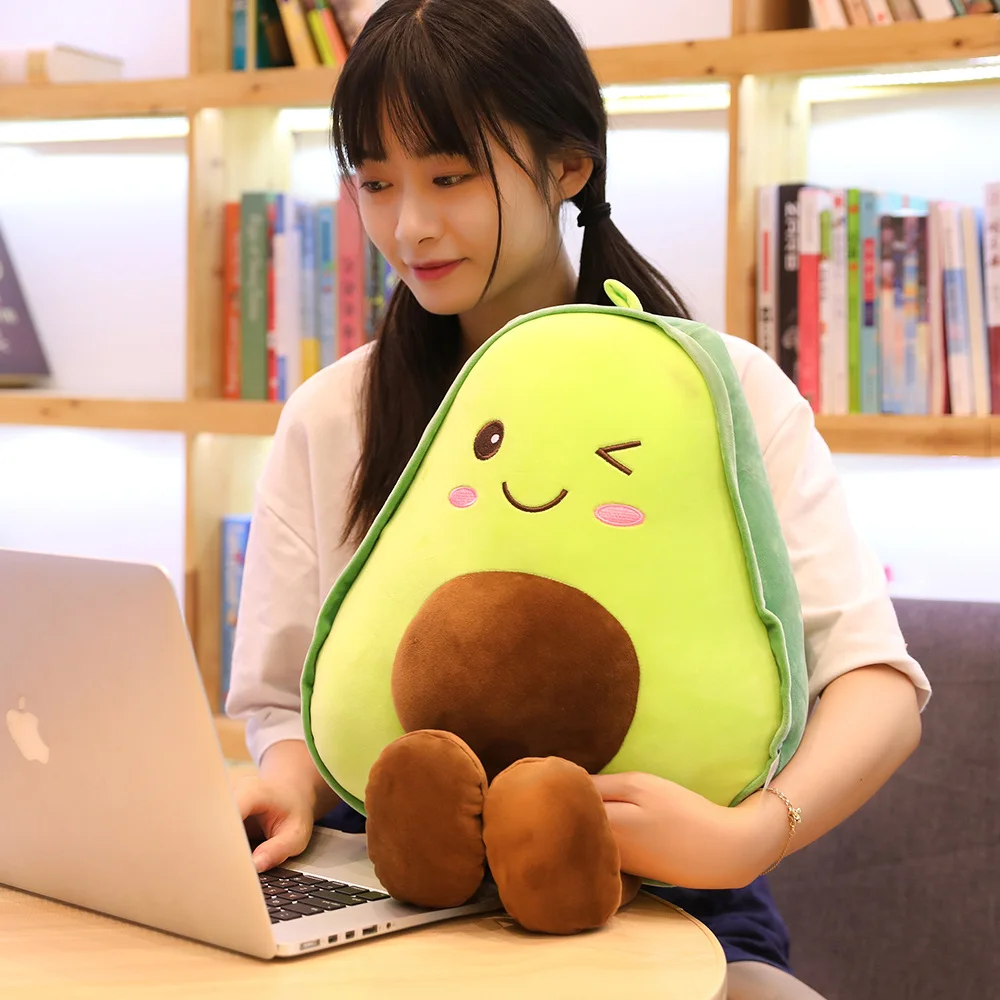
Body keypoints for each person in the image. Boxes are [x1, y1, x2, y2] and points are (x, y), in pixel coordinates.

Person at [226, 1, 931, 995]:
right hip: (393, 889)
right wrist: (288, 781)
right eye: (375, 183)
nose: (408, 225)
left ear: (569, 166)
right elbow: (278, 696)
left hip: (660, 899)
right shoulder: (332, 412)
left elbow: (875, 684)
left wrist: (746, 835)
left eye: (450, 176)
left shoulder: (718, 392)